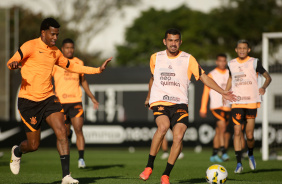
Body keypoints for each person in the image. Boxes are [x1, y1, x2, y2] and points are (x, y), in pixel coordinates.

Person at [7, 18, 112, 184]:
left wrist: (97, 70)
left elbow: (72, 66)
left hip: (49, 98)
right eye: (53, 34)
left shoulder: (55, 52)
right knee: (33, 145)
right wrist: (13, 64)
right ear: (43, 32)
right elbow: (11, 61)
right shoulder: (30, 46)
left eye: (57, 34)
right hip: (29, 101)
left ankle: (66, 176)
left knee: (62, 131)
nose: (55, 37)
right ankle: (18, 152)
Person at [140, 28, 236, 184]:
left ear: (180, 42)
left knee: (178, 137)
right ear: (165, 41)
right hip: (160, 101)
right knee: (163, 127)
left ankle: (165, 175)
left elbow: (204, 77)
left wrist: (222, 91)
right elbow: (153, 78)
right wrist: (148, 96)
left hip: (180, 103)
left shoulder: (188, 59)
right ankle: (149, 166)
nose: (173, 43)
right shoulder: (155, 57)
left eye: (176, 40)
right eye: (170, 40)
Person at [225, 40, 272, 173]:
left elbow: (268, 77)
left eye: (244, 48)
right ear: (236, 50)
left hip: (251, 101)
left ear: (249, 50)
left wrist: (263, 87)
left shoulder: (254, 62)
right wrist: (225, 92)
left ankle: (250, 154)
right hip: (237, 102)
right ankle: (239, 164)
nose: (242, 50)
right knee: (237, 132)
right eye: (239, 48)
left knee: (249, 135)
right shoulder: (231, 64)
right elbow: (230, 78)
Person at [52, 38, 99, 169]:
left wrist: (92, 97)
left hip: (75, 101)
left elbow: (83, 81)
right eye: (67, 47)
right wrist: (51, 93)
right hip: (60, 103)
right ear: (62, 49)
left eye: (71, 48)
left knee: (78, 128)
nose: (69, 50)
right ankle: (64, 156)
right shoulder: (56, 63)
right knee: (63, 133)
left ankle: (81, 158)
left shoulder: (78, 62)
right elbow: (46, 79)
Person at [199, 53, 231, 162]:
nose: (222, 63)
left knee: (220, 131)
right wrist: (203, 108)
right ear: (217, 62)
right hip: (216, 106)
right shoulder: (212, 74)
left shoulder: (229, 74)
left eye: (224, 61)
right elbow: (205, 92)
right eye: (220, 61)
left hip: (228, 106)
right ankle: (224, 152)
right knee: (222, 128)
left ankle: (214, 154)